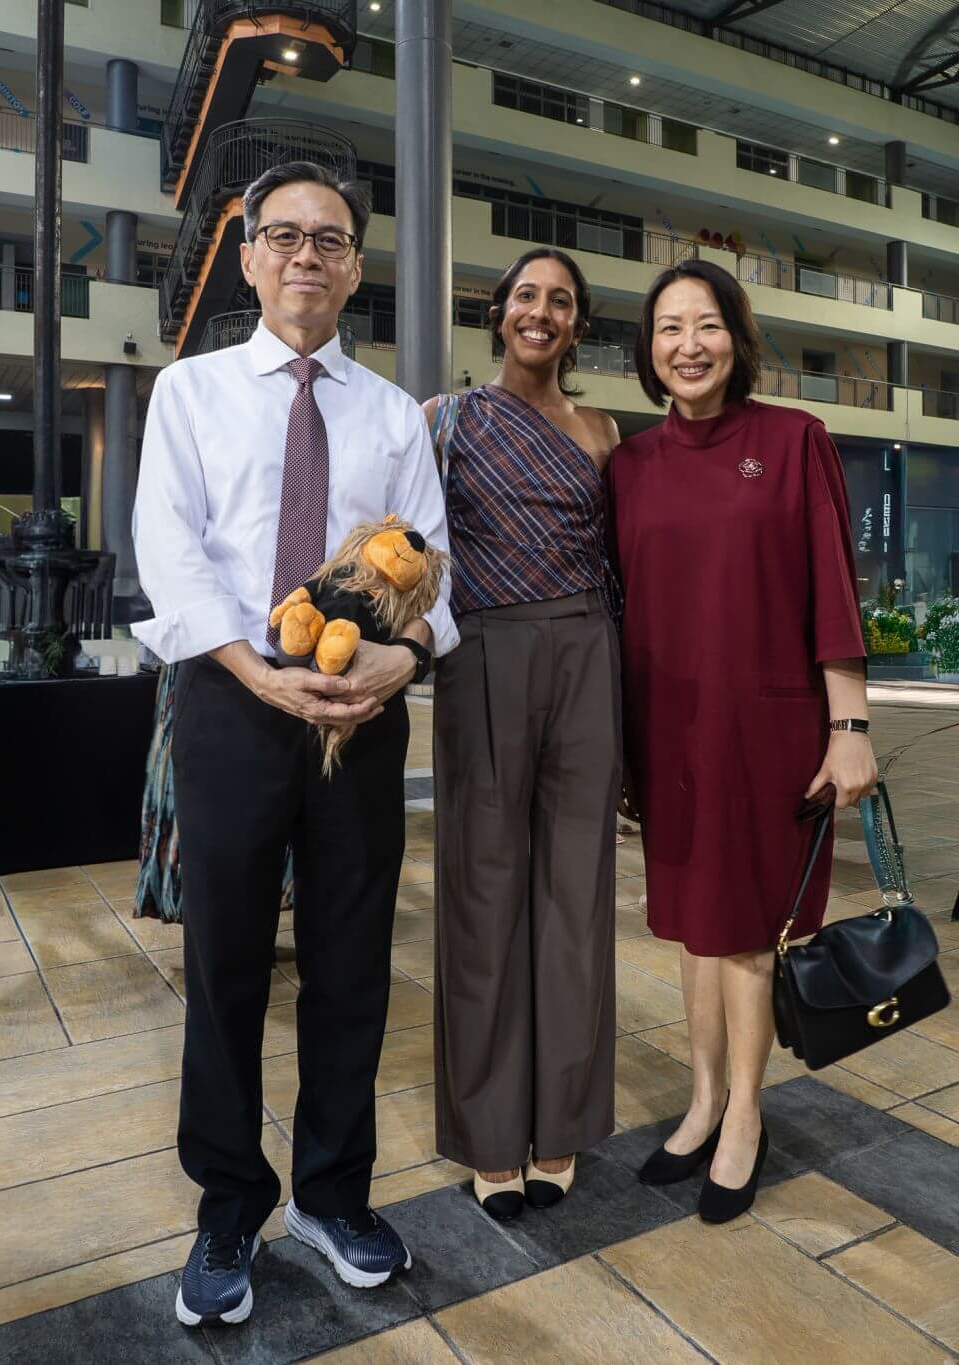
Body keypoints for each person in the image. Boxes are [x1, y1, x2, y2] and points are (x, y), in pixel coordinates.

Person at [133, 161, 457, 1327]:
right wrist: (255, 676)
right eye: (283, 235)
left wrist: (400, 660)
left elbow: (436, 576)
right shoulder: (191, 392)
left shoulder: (388, 413)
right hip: (231, 702)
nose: (305, 255)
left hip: (361, 716)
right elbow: (168, 558)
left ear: (356, 266)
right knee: (222, 962)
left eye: (328, 239)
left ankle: (330, 1192)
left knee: (351, 959)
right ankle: (228, 1203)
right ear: (247, 255)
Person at [611, 258, 875, 1224]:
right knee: (690, 925)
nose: (689, 345)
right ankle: (702, 1096)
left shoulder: (795, 440)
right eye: (669, 328)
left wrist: (848, 724)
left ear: (738, 336)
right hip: (667, 730)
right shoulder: (630, 467)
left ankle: (747, 1117)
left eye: (707, 324)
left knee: (750, 934)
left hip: (767, 728)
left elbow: (833, 594)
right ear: (649, 350)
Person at [424, 249, 621, 1221]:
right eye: (526, 297)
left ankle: (566, 1122)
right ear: (497, 312)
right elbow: (402, 547)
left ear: (576, 325)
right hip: (484, 654)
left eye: (561, 302)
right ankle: (488, 1136)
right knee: (481, 889)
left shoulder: (601, 429)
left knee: (575, 894)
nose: (541, 313)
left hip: (589, 650)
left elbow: (623, 562)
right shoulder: (445, 418)